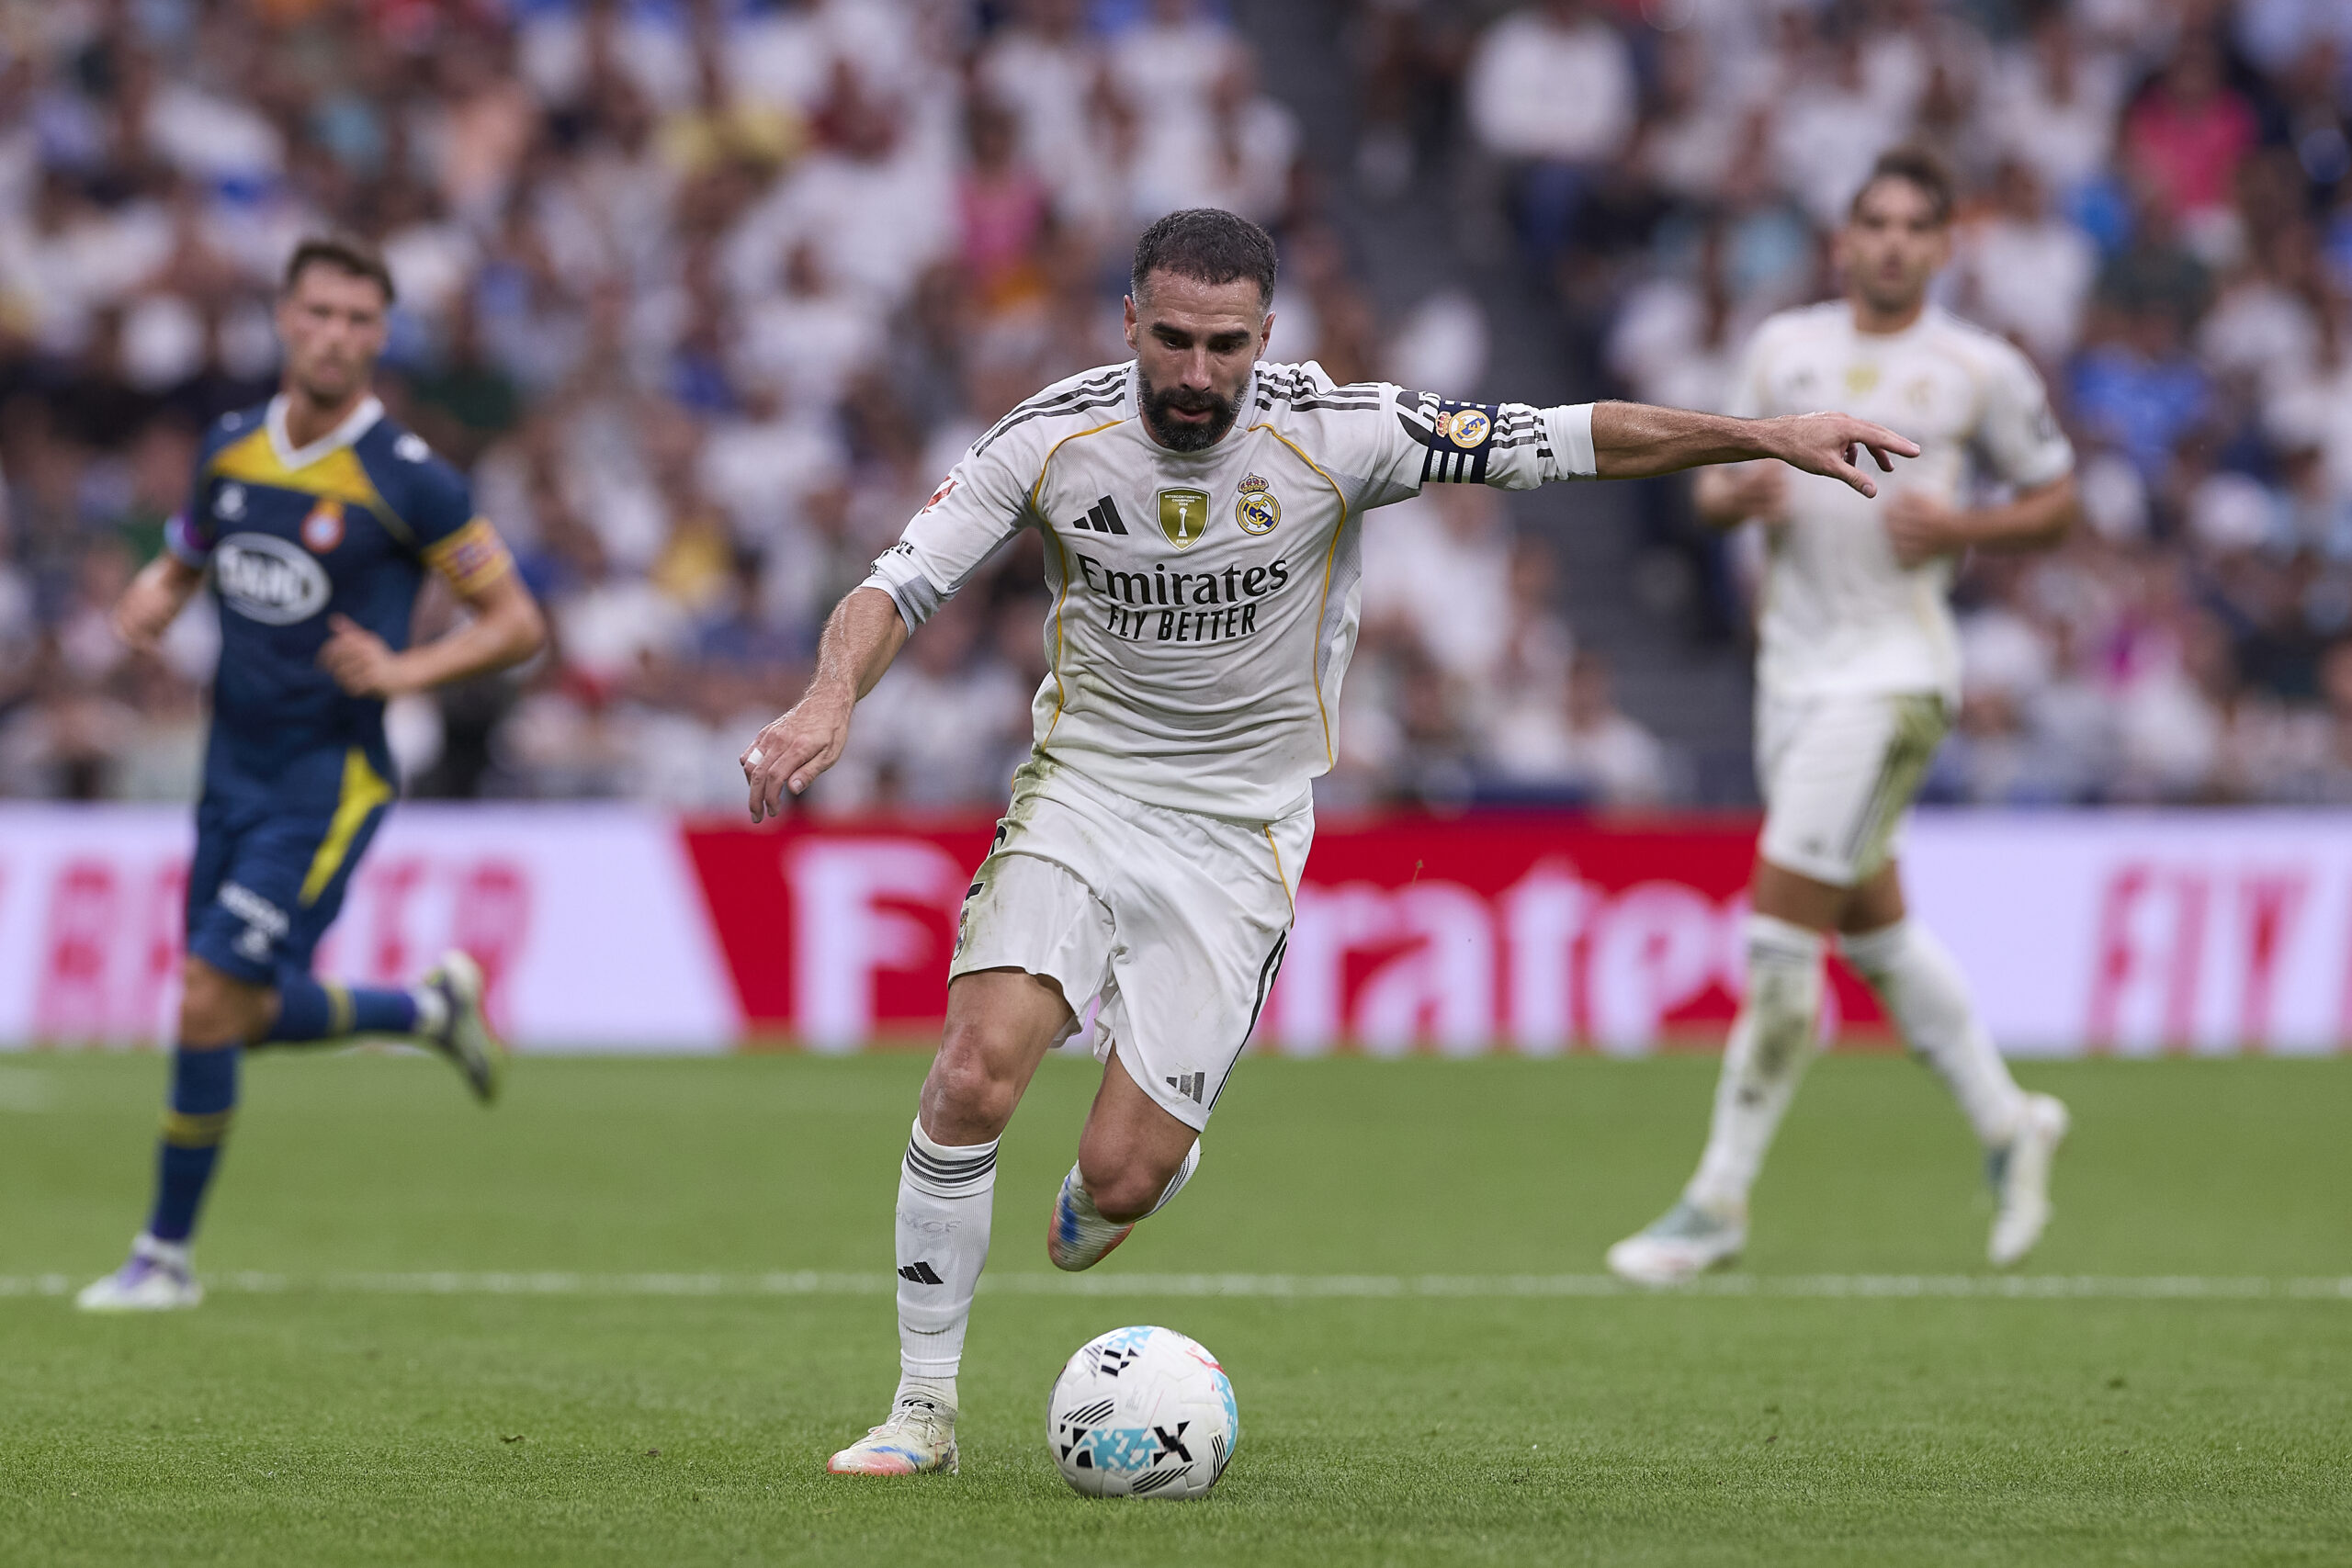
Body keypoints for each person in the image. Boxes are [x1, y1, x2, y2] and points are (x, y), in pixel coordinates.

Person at [740, 207, 1915, 1476]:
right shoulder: (1052, 437)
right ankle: (923, 1410)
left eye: (1225, 345)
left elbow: (1566, 439)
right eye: (1174, 339)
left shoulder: (1342, 431)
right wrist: (828, 694)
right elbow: (896, 582)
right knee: (973, 1070)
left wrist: (1766, 435)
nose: (1197, 374)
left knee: (1121, 1180)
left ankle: (1131, 1173)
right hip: (1083, 790)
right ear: (1129, 321)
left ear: (1267, 335)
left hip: (1239, 832)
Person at [1606, 150, 2080, 1288]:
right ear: (1842, 238)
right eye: (1874, 221)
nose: (1892, 242)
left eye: (1916, 225)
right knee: (1872, 933)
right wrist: (1739, 487)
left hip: (1895, 675)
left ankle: (1717, 1197)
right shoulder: (1785, 349)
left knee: (1780, 942)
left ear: (1943, 245)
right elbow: (1709, 484)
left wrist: (1965, 532)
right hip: (1793, 680)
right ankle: (2012, 1122)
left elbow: (2058, 503)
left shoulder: (1980, 368)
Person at [77, 236, 548, 1312]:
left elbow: (519, 622)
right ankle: (423, 1009)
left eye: (358, 320)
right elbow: (188, 556)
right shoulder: (231, 447)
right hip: (226, 769)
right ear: (284, 320)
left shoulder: (410, 479)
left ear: (380, 338)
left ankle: (165, 1259)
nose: (336, 335)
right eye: (319, 313)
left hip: (326, 778)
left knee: (205, 997)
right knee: (230, 1010)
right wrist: (155, 593)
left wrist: (404, 668)